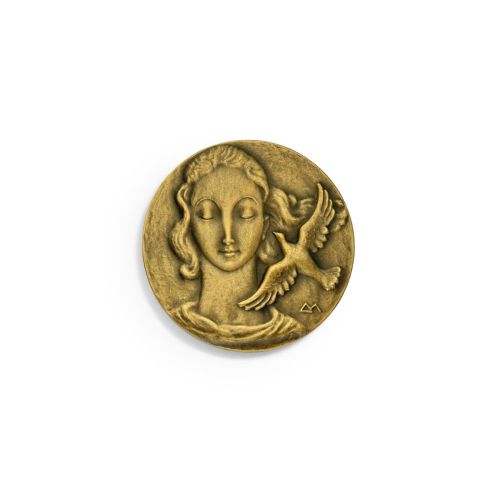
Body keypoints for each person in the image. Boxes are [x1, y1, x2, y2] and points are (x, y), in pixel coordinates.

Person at [169, 144, 310, 349]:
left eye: (245, 214)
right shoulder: (173, 328)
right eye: (207, 214)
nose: (228, 236)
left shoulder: (291, 333)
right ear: (189, 226)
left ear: (265, 226)